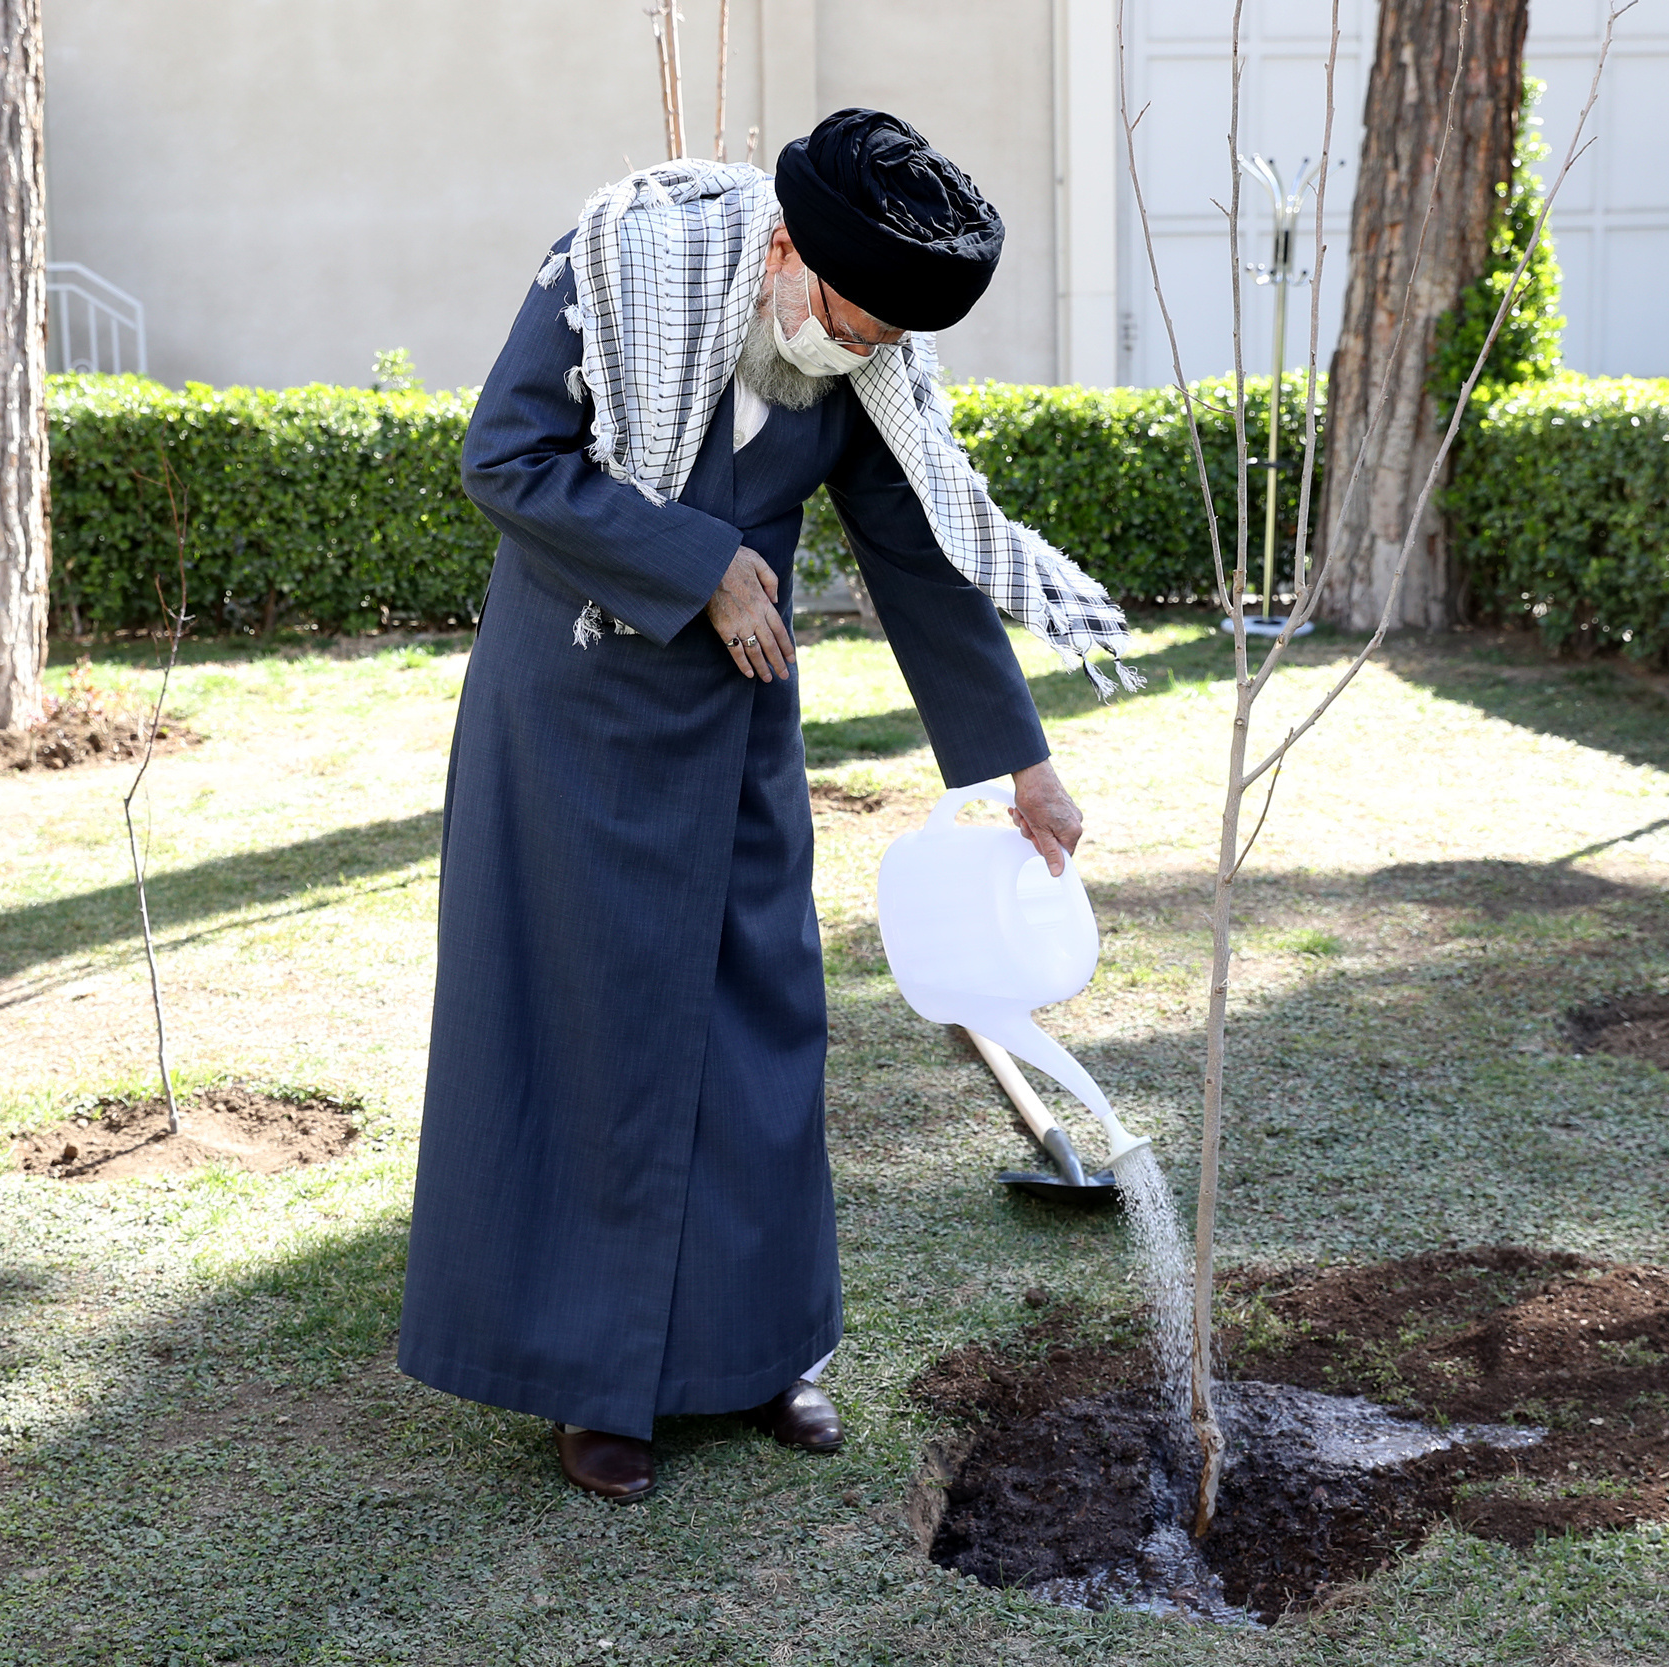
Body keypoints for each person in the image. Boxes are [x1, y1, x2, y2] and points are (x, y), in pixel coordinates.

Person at [397, 109, 1138, 1501]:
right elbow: (506, 461)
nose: (861, 356)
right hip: (573, 713)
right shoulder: (613, 268)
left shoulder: (861, 356)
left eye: (886, 346)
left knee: (761, 1023)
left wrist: (1020, 762)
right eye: (854, 325)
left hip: (737, 720)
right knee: (598, 1038)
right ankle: (597, 1385)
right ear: (786, 250)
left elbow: (916, 553)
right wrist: (700, 562)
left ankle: (757, 1357)